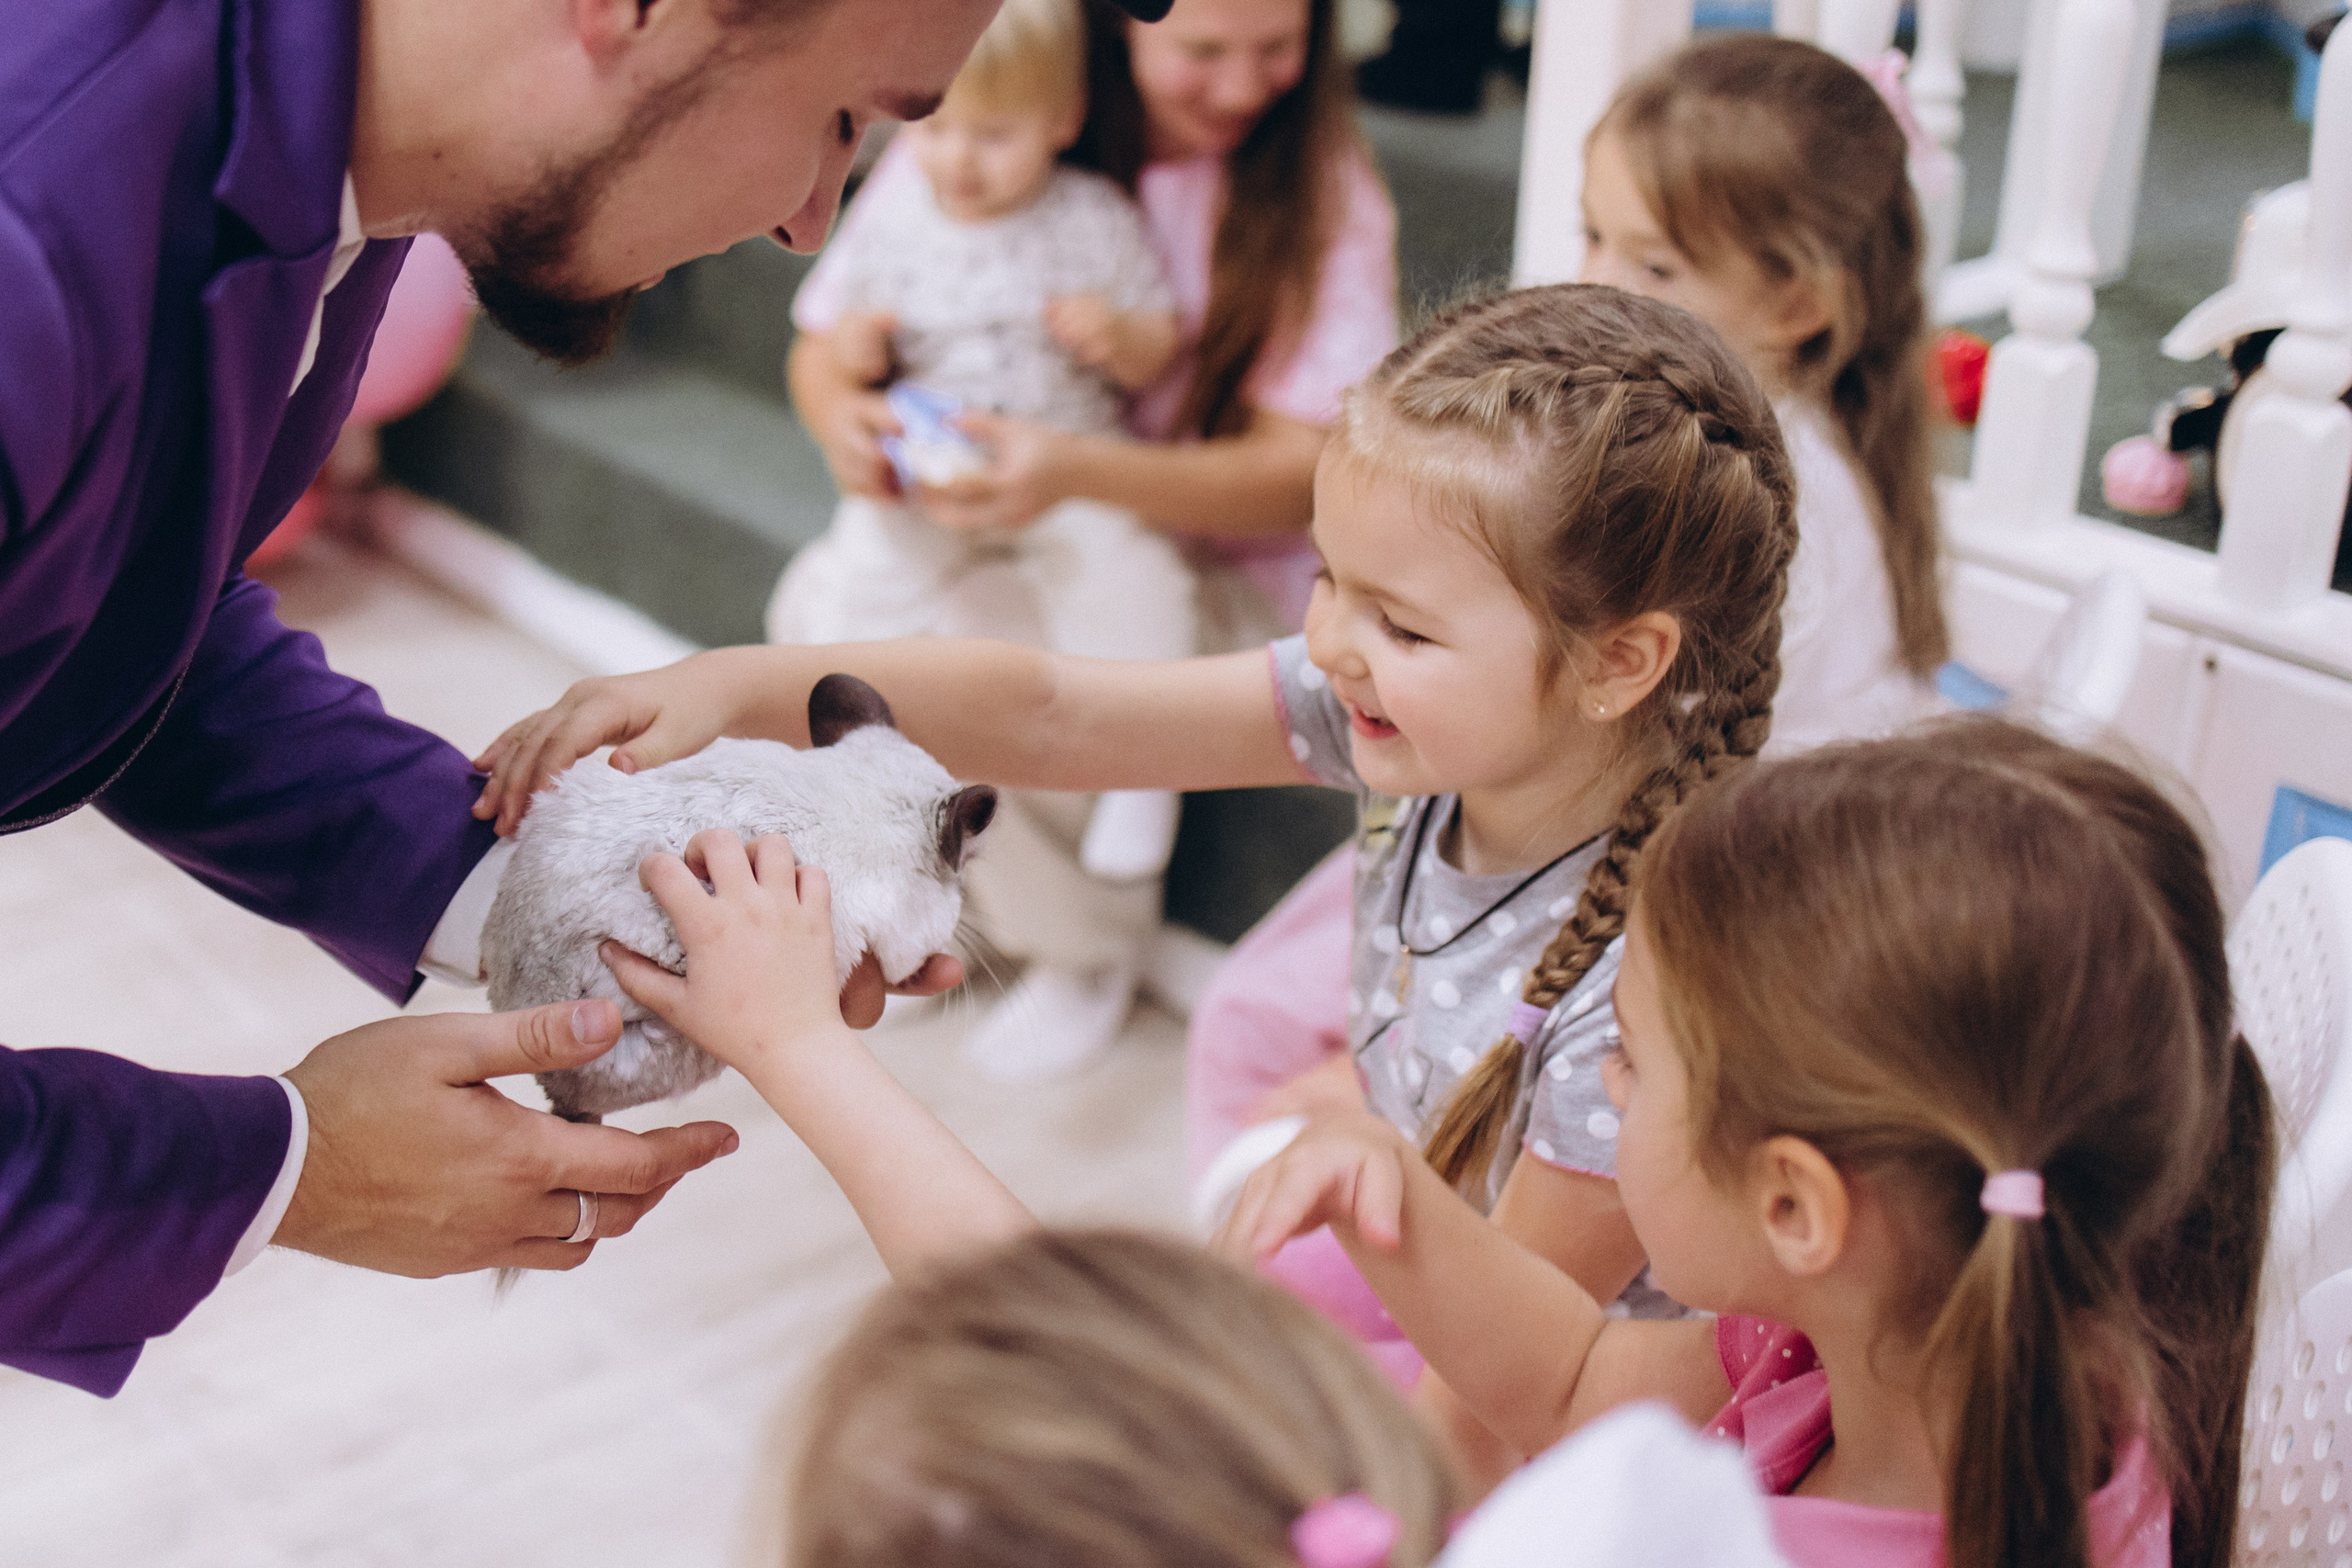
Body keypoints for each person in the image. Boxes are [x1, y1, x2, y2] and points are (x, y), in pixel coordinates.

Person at [0, 0, 1192, 1397]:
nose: (810, 223)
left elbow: (127, 595)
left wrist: (597, 895)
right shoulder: (30, 230)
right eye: (843, 122)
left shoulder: (349, 172)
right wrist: (285, 1170)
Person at [473, 278, 1796, 1477]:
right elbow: (1054, 712)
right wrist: (734, 686)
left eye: (1400, 622)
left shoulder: (1639, 996)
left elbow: (1495, 1405)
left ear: (1619, 663)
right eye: (1328, 579)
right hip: (1446, 1253)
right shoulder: (1418, 716)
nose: (1332, 641)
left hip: (1558, 1417)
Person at [1183, 31, 1949, 1338]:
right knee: (1272, 1022)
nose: (1598, 280)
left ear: (1799, 302)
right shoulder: (1737, 462)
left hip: (1662, 880)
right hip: (1564, 828)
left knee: (1273, 1036)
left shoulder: (1746, 519)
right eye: (1593, 235)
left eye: (1654, 264)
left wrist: (1382, 1105)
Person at [1222, 719, 2274, 1568]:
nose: (1605, 1082)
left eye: (1631, 1058)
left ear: (1793, 1206)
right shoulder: (1929, 1336)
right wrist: (1396, 1199)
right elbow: (1576, 1378)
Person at [763, 0, 1399, 1078]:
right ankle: (913, 903)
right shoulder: (984, 115)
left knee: (987, 638)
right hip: (1002, 501)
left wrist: (1067, 470)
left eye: (1276, 49)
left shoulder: (1319, 191)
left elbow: (1304, 474)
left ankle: (1086, 944)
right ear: (1124, 27)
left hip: (1212, 550)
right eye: (1203, 51)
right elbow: (823, 344)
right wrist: (846, 422)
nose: (1240, 86)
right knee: (830, 606)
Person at [770, 0, 1197, 946]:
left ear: (1062, 119)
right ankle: (857, 762)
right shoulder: (896, 216)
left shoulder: (1092, 218)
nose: (959, 160)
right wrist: (857, 350)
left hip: (1066, 473)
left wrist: (1119, 338)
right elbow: (835, 342)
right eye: (938, 130)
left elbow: (1156, 344)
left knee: (1134, 582)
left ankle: (1145, 778)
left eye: (994, 136)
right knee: (852, 584)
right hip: (930, 476)